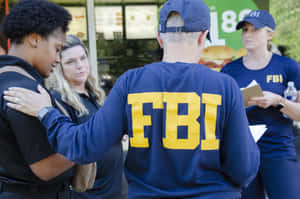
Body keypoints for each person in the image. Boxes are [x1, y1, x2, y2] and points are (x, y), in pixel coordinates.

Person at [3, 0, 260, 198]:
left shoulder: (131, 82)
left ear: (160, 38)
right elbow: (244, 168)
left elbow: (82, 146)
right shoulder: (224, 86)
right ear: (203, 36)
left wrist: (46, 112)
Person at [221, 10, 300, 199]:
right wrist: (239, 101)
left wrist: (278, 101)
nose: (248, 35)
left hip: (279, 150)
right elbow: (220, 114)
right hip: (242, 152)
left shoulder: (288, 66)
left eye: (255, 30)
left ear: (270, 34)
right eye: (245, 30)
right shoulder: (229, 70)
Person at [0, 0, 74, 198]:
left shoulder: (6, 78)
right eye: (57, 49)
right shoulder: (24, 90)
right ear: (34, 40)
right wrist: (91, 143)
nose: (58, 59)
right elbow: (46, 167)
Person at [46, 34, 125, 199]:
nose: (80, 66)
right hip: (86, 193)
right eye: (71, 62)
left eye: (83, 58)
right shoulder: (59, 101)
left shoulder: (95, 94)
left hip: (112, 188)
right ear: (58, 67)